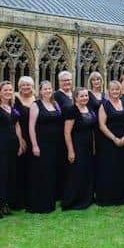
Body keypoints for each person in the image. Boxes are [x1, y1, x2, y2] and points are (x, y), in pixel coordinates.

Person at [0, 81, 25, 218]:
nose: (8, 92)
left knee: (10, 175)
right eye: (5, 90)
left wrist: (21, 143)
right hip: (0, 145)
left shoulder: (13, 107)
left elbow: (17, 126)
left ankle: (4, 205)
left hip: (13, 146)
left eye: (10, 90)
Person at [26, 81, 63, 213]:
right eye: (45, 89)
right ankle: (39, 203)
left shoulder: (55, 104)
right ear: (40, 91)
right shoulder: (36, 105)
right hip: (42, 144)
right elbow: (31, 127)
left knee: (52, 173)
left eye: (50, 88)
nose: (48, 91)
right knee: (42, 173)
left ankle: (50, 200)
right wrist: (35, 145)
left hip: (55, 144)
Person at [96, 81, 124, 206]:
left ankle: (121, 196)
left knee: (121, 168)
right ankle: (108, 197)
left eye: (117, 89)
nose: (115, 92)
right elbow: (102, 125)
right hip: (109, 142)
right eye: (113, 90)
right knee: (109, 169)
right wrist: (114, 138)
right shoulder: (104, 105)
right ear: (108, 91)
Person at [61, 88, 97, 210]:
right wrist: (71, 150)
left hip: (87, 145)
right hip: (77, 145)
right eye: (81, 96)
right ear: (76, 97)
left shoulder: (89, 109)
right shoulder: (72, 110)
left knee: (87, 171)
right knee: (76, 172)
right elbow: (67, 132)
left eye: (86, 96)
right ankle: (73, 200)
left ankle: (86, 198)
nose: (85, 98)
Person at [13, 76, 35, 210]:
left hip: (33, 136)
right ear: (19, 86)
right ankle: (18, 200)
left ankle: (30, 197)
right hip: (19, 136)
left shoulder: (36, 99)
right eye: (23, 85)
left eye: (28, 85)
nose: (26, 87)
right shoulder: (15, 100)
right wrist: (20, 140)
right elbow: (15, 121)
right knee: (19, 168)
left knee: (31, 168)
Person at [54, 70, 74, 198]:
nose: (67, 82)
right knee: (63, 162)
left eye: (69, 80)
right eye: (64, 80)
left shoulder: (74, 94)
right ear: (59, 82)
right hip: (62, 133)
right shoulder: (56, 96)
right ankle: (61, 192)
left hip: (76, 133)